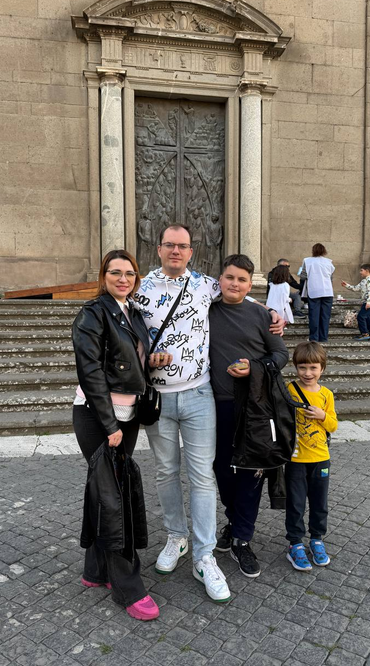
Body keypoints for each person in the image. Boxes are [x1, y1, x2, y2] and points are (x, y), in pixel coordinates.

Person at [136, 223, 284, 603]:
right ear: (159, 248)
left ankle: (204, 555)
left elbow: (240, 294)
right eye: (170, 245)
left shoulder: (205, 285)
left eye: (182, 246)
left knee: (202, 476)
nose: (176, 251)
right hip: (159, 397)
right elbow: (127, 330)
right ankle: (177, 537)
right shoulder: (140, 288)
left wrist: (272, 313)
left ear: (191, 251)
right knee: (166, 472)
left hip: (200, 394)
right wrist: (143, 357)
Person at [72, 249, 169, 622]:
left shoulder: (132, 312)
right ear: (104, 276)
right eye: (116, 272)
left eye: (129, 273)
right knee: (115, 499)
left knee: (107, 490)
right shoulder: (93, 313)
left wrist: (151, 360)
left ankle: (96, 570)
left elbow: (127, 361)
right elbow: (91, 372)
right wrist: (110, 424)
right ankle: (128, 587)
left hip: (127, 416)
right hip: (98, 416)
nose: (123, 278)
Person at [209, 254, 289, 578]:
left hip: (255, 407)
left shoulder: (261, 315)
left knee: (251, 472)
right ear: (220, 279)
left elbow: (280, 354)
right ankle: (234, 521)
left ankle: (242, 537)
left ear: (249, 283)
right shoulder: (206, 310)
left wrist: (254, 368)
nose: (235, 284)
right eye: (230, 277)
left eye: (242, 279)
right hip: (217, 406)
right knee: (221, 470)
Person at [285, 342, 338, 571]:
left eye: (313, 368)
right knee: (295, 504)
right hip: (296, 459)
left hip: (320, 458)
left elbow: (333, 425)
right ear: (296, 367)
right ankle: (295, 543)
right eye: (302, 367)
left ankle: (317, 539)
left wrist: (322, 415)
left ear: (322, 368)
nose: (308, 373)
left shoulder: (326, 395)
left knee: (319, 504)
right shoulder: (289, 389)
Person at [300, 244, 335, 343]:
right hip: (327, 291)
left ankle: (314, 338)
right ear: (324, 251)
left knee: (314, 316)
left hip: (314, 290)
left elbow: (303, 276)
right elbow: (331, 278)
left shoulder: (307, 261)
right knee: (325, 316)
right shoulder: (329, 262)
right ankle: (323, 337)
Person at [341, 264, 370, 342]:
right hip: (368, 302)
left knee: (361, 316)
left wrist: (369, 302)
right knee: (367, 317)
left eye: (361, 270)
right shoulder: (364, 281)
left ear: (367, 271)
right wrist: (346, 285)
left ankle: (365, 333)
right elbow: (356, 288)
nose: (360, 272)